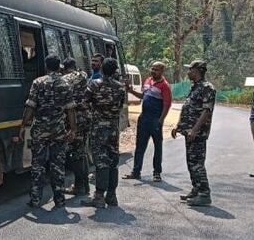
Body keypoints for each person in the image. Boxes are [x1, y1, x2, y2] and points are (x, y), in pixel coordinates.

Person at [16, 54, 77, 208]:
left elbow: (30, 106)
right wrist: (73, 129)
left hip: (40, 131)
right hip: (58, 131)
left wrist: (23, 126)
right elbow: (71, 110)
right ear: (59, 66)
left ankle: (36, 199)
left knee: (38, 165)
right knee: (57, 166)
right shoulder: (66, 84)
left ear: (46, 66)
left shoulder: (38, 82)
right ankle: (59, 200)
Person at [81, 58, 126, 208]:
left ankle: (99, 196)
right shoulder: (120, 87)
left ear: (101, 69)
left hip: (98, 128)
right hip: (113, 128)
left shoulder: (94, 85)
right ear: (115, 71)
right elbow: (120, 106)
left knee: (100, 161)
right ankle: (112, 195)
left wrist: (94, 113)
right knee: (113, 160)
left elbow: (84, 103)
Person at [171, 60, 216, 206]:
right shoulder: (195, 87)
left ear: (197, 70)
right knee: (191, 163)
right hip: (189, 132)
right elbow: (188, 108)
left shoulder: (207, 88)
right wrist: (179, 126)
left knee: (197, 164)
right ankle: (196, 189)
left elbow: (206, 111)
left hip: (197, 134)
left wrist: (195, 130)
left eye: (190, 69)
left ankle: (204, 194)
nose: (188, 72)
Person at [123, 61, 172, 182]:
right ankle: (136, 171)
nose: (153, 71)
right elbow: (143, 96)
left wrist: (160, 121)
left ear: (161, 71)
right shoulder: (147, 81)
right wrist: (130, 90)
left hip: (155, 119)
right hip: (144, 118)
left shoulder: (164, 86)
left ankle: (157, 173)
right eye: (152, 68)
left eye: (156, 69)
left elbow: (167, 105)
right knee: (140, 146)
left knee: (157, 147)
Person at [62, 58, 91, 196]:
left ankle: (80, 187)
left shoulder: (65, 79)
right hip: (86, 118)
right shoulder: (84, 75)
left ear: (64, 68)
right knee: (81, 152)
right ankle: (84, 186)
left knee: (75, 154)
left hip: (74, 119)